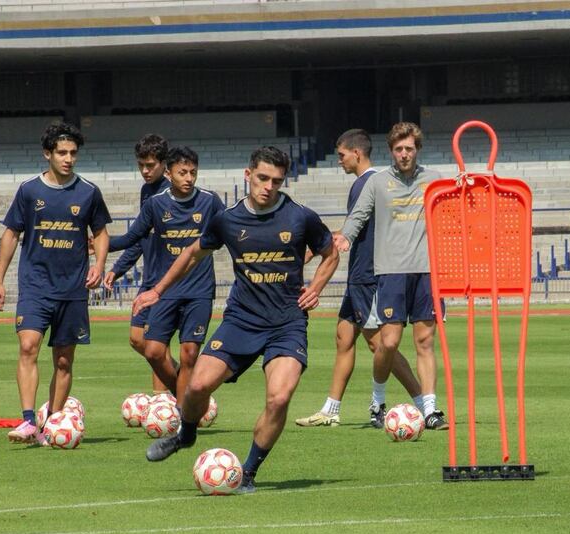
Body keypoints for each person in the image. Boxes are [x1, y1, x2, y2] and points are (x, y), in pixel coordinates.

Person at [133, 146, 339, 493]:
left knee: (279, 397)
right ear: (248, 175)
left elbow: (330, 252)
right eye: (262, 178)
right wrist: (157, 290)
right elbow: (191, 254)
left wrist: (316, 287)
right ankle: (186, 434)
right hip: (241, 320)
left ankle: (248, 472)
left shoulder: (300, 217)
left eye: (276, 180)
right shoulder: (227, 219)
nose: (268, 186)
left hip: (286, 324)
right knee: (197, 385)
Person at [0, 121, 111, 444]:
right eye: (61, 152)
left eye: (73, 152)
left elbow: (100, 233)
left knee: (63, 360)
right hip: (35, 285)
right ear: (47, 154)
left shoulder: (88, 192)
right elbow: (11, 234)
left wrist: (99, 265)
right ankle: (29, 420)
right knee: (28, 345)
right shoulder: (29, 191)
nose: (68, 158)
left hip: (72, 289)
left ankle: (52, 426)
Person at [295, 129, 421, 428]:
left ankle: (422, 404)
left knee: (380, 345)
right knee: (344, 338)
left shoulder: (370, 182)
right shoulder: (370, 183)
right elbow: (356, 225)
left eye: (341, 155)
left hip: (367, 275)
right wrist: (319, 248)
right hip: (359, 275)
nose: (339, 161)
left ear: (357, 153)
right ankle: (330, 410)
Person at [333, 122, 449, 430]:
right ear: (391, 151)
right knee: (389, 342)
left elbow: (455, 204)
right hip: (391, 272)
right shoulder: (378, 182)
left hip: (426, 272)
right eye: (398, 149)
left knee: (425, 341)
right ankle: (377, 399)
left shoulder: (434, 181)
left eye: (409, 148)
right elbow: (358, 214)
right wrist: (346, 235)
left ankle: (430, 409)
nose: (404, 154)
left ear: (417, 150)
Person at [107, 146, 223, 405]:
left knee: (190, 352)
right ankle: (188, 399)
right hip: (165, 289)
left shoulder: (210, 201)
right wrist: (101, 245)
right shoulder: (155, 204)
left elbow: (231, 230)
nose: (189, 178)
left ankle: (183, 415)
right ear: (169, 174)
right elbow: (132, 237)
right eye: (183, 172)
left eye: (193, 172)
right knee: (153, 350)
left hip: (199, 290)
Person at [103, 134, 175, 395]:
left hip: (166, 282)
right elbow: (139, 237)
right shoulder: (146, 192)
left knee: (157, 344)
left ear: (164, 165)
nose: (145, 171)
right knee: (137, 339)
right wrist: (116, 269)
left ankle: (162, 404)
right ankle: (183, 384)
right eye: (141, 165)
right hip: (149, 278)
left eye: (151, 165)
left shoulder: (171, 194)